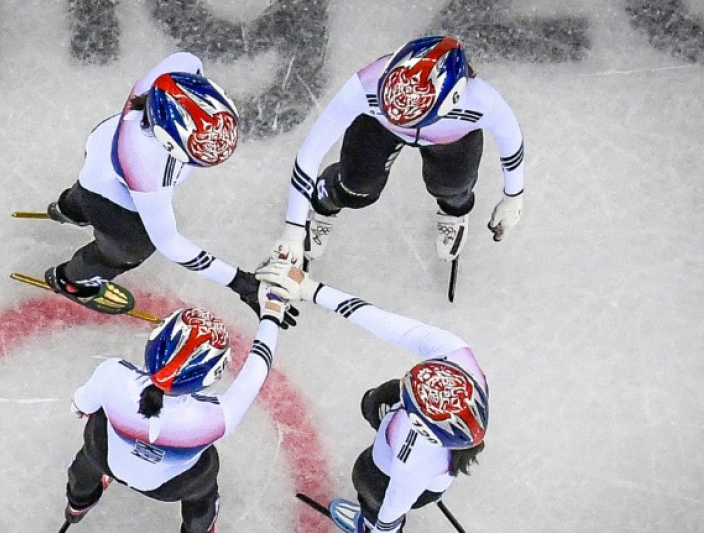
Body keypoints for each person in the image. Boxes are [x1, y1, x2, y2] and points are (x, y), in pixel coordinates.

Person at [42, 51, 294, 327]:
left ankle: (70, 207)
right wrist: (241, 283)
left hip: (101, 148)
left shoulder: (175, 73)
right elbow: (169, 243)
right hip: (111, 196)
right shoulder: (146, 167)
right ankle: (73, 281)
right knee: (129, 249)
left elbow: (191, 63)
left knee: (91, 188)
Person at [257, 256, 488, 533]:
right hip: (417, 460)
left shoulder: (412, 456)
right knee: (375, 400)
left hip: (390, 475)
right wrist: (310, 288)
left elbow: (392, 509)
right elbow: (387, 324)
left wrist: (380, 527)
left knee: (367, 482)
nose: (405, 377)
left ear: (421, 427)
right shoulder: (456, 355)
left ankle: (364, 522)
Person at [272, 35, 525, 268]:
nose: (400, 117)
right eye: (388, 103)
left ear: (453, 99)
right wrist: (293, 230)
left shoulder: (483, 102)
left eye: (412, 116)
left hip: (450, 139)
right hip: (380, 128)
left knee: (452, 188)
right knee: (357, 188)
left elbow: (511, 141)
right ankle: (326, 199)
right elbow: (310, 153)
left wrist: (514, 197)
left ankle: (453, 211)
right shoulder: (366, 85)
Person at [61, 281, 291, 533]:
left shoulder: (112, 374)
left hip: (105, 459)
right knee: (203, 491)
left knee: (90, 451)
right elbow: (259, 366)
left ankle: (78, 503)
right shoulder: (216, 417)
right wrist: (272, 311)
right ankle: (197, 529)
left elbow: (80, 407)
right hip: (170, 487)